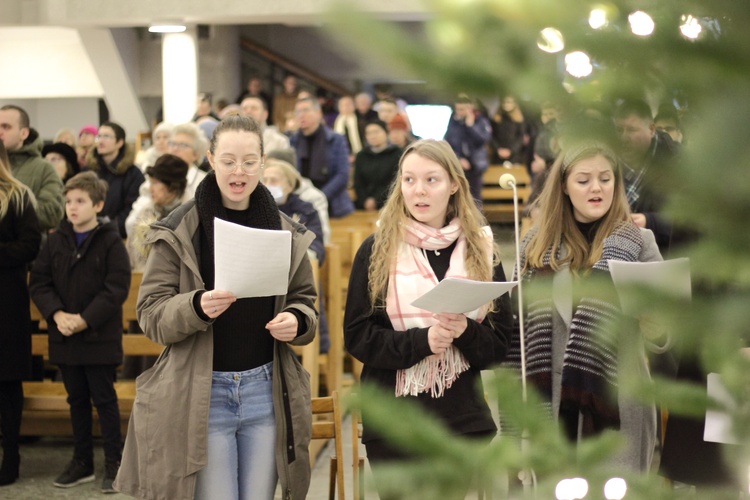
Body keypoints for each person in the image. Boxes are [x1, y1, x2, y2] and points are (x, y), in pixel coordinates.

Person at [114, 115, 318, 500]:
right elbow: (152, 315)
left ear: (262, 162)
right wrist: (196, 305)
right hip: (202, 392)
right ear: (210, 159)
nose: (238, 171)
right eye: (228, 160)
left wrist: (296, 319)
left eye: (248, 161)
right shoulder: (178, 229)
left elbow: (305, 302)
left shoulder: (285, 229)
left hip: (265, 387)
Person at [344, 139, 513, 497]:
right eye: (409, 180)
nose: (418, 190)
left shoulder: (481, 251)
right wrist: (423, 342)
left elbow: (500, 347)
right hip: (394, 419)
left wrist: (464, 330)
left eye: (431, 180)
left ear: (454, 185)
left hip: (460, 418)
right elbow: (358, 337)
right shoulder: (377, 249)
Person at [504, 140, 662, 472]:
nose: (596, 188)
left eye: (606, 178)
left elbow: (665, 333)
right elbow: (515, 331)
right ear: (563, 185)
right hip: (552, 404)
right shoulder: (534, 247)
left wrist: (656, 325)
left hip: (619, 406)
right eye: (584, 179)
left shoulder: (638, 241)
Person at [29, 171, 130, 492]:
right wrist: (57, 314)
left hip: (98, 335)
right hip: (64, 333)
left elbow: (116, 288)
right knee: (76, 399)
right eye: (68, 201)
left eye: (80, 201)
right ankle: (82, 460)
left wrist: (85, 319)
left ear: (98, 204)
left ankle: (114, 462)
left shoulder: (110, 240)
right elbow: (40, 282)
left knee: (104, 399)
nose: (72, 208)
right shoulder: (55, 240)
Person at [0, 141, 41, 487]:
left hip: (6, 303)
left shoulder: (18, 195)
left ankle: (10, 457)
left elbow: (30, 245)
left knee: (7, 381)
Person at [613, 99, 680, 254]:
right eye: (618, 130)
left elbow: (690, 219)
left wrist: (649, 221)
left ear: (651, 129)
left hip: (662, 258)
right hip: (617, 252)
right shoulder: (609, 161)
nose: (623, 137)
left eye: (631, 130)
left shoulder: (677, 164)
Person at [0, 104, 64, 232]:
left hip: (24, 247)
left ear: (23, 133)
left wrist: (8, 210)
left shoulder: (44, 169)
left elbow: (52, 213)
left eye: (6, 127)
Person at [290, 97, 354, 218]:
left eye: (305, 110)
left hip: (334, 206)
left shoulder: (336, 139)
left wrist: (319, 197)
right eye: (297, 112)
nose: (301, 115)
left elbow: (342, 174)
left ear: (318, 113)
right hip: (301, 205)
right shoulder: (292, 142)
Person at [125, 154, 190, 271]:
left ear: (172, 186)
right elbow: (131, 258)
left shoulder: (191, 216)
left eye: (155, 183)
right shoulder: (145, 214)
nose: (150, 189)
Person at [86, 121, 145, 238]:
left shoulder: (133, 174)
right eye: (99, 136)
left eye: (106, 136)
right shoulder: (88, 171)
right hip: (89, 234)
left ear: (119, 143)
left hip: (118, 236)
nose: (101, 141)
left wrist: (108, 228)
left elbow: (132, 208)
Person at [443, 94, 492, 203]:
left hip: (475, 166)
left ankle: (475, 220)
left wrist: (470, 126)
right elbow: (448, 143)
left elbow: (482, 140)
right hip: (458, 165)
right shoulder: (453, 123)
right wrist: (458, 159)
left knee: (475, 198)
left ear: (470, 108)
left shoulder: (480, 121)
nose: (460, 112)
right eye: (458, 109)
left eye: (463, 109)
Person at [353, 119, 401, 211]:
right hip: (364, 205)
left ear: (386, 132)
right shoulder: (361, 155)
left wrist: (376, 200)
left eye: (376, 132)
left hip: (390, 203)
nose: (372, 136)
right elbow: (358, 182)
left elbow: (395, 181)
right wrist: (365, 200)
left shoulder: (397, 153)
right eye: (369, 133)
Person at [332, 95, 362, 163]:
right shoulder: (334, 122)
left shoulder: (360, 121)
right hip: (339, 156)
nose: (346, 107)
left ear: (354, 106)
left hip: (359, 156)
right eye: (343, 105)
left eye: (348, 104)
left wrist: (354, 155)